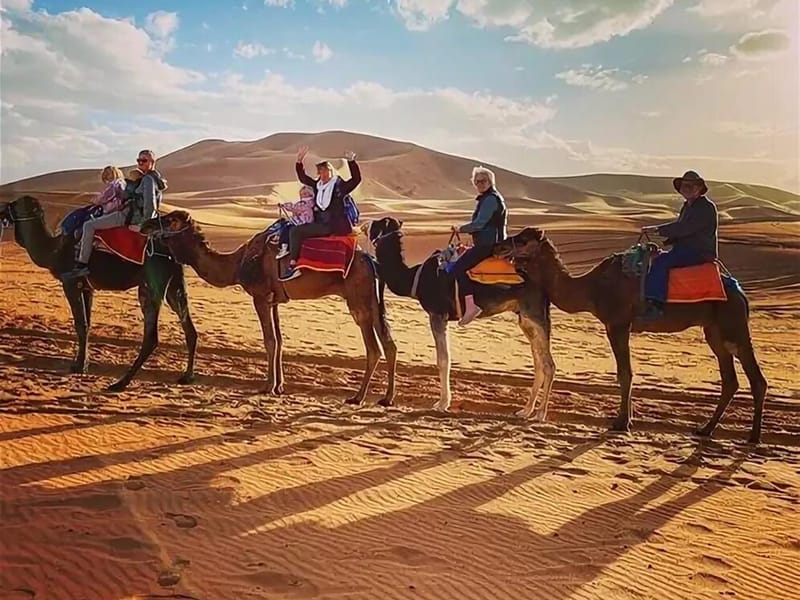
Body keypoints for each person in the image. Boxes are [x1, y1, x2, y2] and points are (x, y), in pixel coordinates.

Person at [641, 169, 718, 317]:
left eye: (691, 186)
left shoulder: (705, 207)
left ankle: (655, 303)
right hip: (684, 249)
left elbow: (685, 228)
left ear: (699, 189)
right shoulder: (688, 206)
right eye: (685, 186)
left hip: (698, 252)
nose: (687, 189)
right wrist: (664, 239)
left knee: (661, 262)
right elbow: (682, 229)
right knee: (651, 257)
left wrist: (657, 230)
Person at [279, 145, 361, 281]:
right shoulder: (318, 186)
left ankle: (293, 265)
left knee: (295, 232)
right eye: (320, 171)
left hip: (331, 225)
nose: (323, 174)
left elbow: (356, 180)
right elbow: (303, 178)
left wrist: (351, 162)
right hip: (319, 222)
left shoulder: (339, 186)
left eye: (325, 171)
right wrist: (299, 161)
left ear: (330, 171)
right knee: (288, 226)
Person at [447, 165, 508, 326]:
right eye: (477, 181)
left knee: (457, 268)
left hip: (488, 245)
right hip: (488, 243)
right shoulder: (490, 198)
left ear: (490, 182)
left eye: (483, 181)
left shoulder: (490, 200)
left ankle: (471, 307)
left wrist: (460, 228)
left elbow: (479, 224)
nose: (480, 184)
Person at [63, 166, 127, 278]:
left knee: (88, 225)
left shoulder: (115, 185)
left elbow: (101, 199)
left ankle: (82, 263)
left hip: (116, 214)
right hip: (120, 213)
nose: (106, 179)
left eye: (107, 176)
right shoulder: (124, 184)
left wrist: (94, 200)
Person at [276, 184, 315, 259]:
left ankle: (285, 247)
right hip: (301, 221)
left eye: (305, 193)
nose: (304, 195)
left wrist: (285, 206)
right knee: (286, 226)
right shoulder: (307, 203)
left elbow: (295, 208)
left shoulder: (306, 203)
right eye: (302, 194)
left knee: (288, 229)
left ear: (310, 194)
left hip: (302, 222)